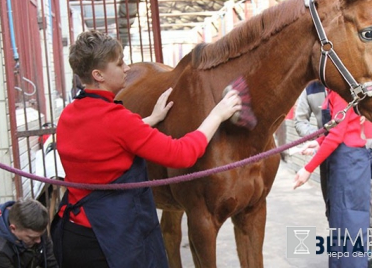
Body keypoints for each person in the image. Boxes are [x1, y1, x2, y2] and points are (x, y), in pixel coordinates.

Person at [51, 30, 242, 268]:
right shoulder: (118, 120)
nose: (127, 68)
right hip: (109, 239)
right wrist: (217, 114)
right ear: (98, 74)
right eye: (119, 63)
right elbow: (182, 153)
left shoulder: (70, 113)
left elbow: (102, 140)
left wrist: (150, 119)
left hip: (72, 233)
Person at [293, 90, 372, 268]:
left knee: (350, 227)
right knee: (338, 224)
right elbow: (336, 129)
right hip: (342, 164)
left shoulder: (340, 93)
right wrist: (318, 142)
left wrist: (308, 168)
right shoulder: (330, 92)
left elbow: (337, 135)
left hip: (350, 166)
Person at [294, 80, 328, 216]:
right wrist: (319, 137)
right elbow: (300, 121)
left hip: (350, 153)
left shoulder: (345, 81)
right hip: (325, 155)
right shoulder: (310, 88)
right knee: (330, 205)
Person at [0, 198, 58, 268]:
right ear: (13, 228)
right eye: (32, 237)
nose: (39, 241)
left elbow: (51, 262)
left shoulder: (37, 226)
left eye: (40, 235)